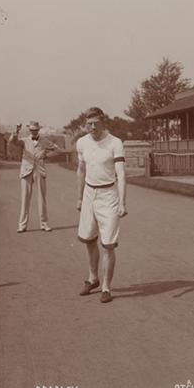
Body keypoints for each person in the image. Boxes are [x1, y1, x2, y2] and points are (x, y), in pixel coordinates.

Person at [75, 107, 127, 304]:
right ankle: (92, 278)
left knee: (108, 245)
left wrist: (122, 202)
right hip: (89, 193)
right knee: (89, 239)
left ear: (103, 122)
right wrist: (79, 198)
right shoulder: (82, 143)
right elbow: (81, 170)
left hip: (109, 195)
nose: (92, 127)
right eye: (89, 124)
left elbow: (121, 173)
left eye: (96, 123)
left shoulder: (115, 143)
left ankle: (106, 287)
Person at [9, 121, 59, 233]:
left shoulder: (44, 141)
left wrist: (46, 155)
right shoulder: (24, 140)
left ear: (38, 130)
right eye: (32, 130)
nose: (34, 132)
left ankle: (44, 223)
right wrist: (16, 131)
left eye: (35, 130)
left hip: (39, 171)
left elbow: (58, 150)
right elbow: (12, 141)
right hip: (26, 171)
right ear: (29, 130)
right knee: (25, 198)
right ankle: (22, 225)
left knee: (42, 198)